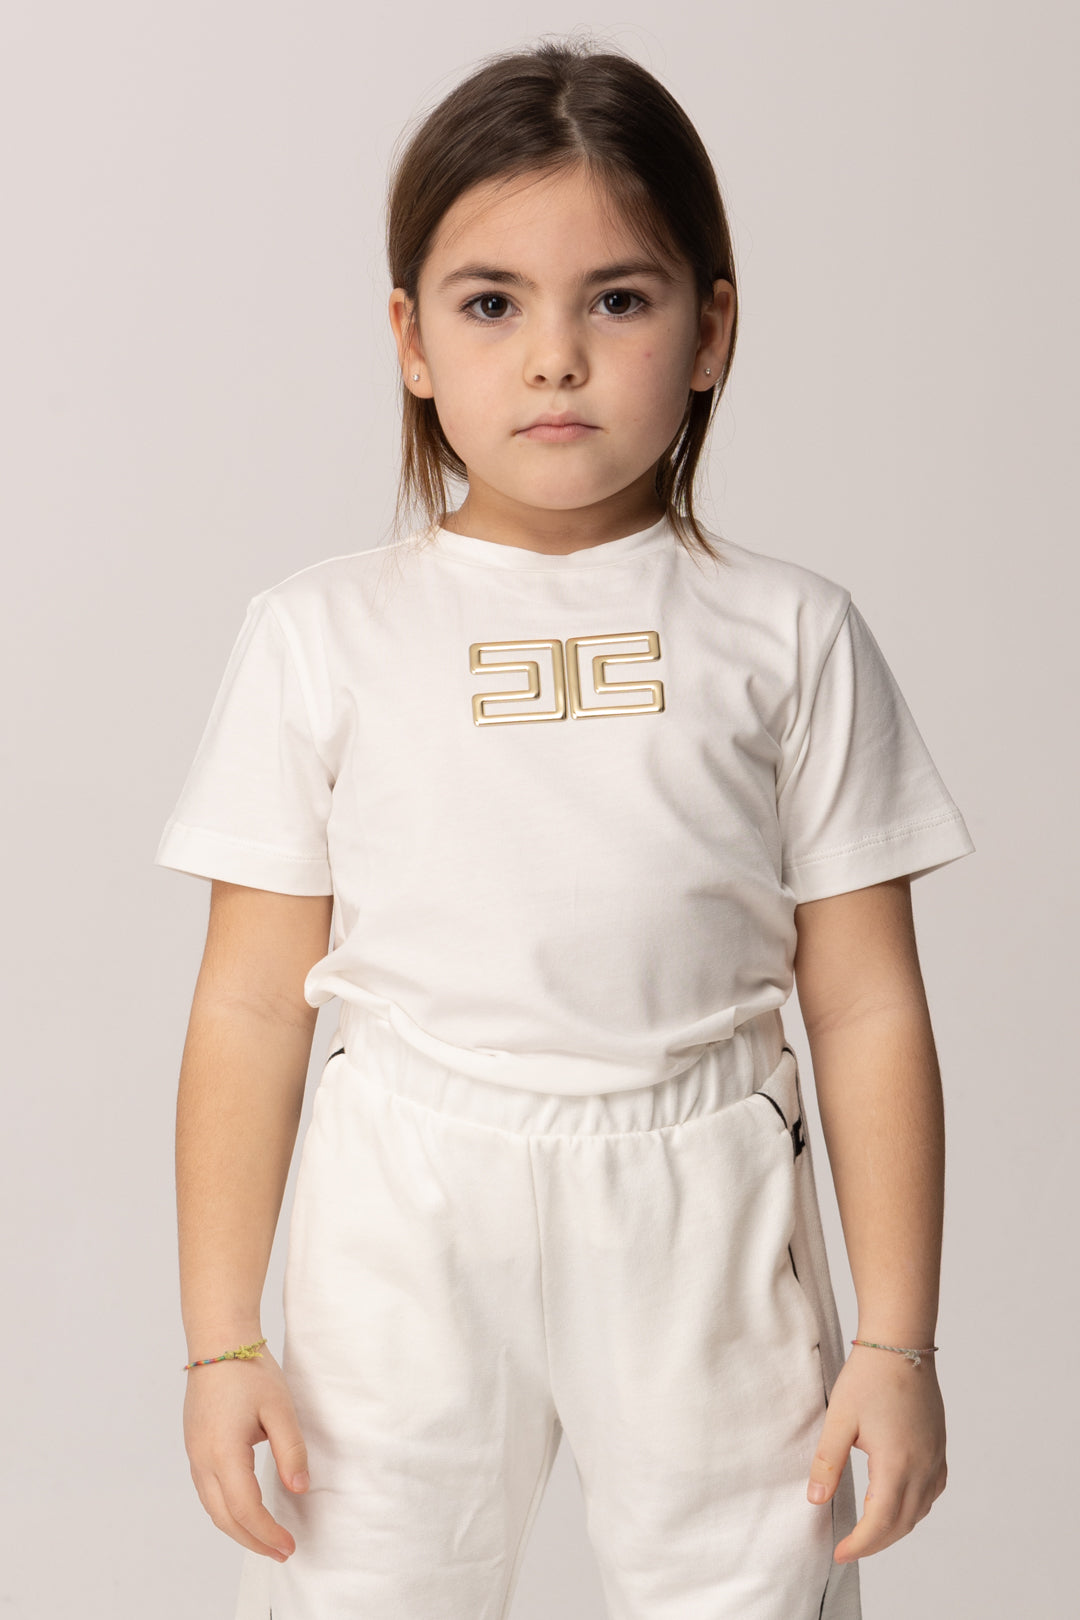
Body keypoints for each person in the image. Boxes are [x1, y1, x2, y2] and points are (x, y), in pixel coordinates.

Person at [154, 38, 975, 1620]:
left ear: (710, 328)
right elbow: (250, 1003)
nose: (554, 359)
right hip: (402, 1206)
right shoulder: (321, 633)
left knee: (745, 1594)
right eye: (491, 304)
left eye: (617, 299)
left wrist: (897, 1343)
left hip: (703, 1201)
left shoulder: (789, 633)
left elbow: (867, 1002)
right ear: (410, 339)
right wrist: (220, 1341)